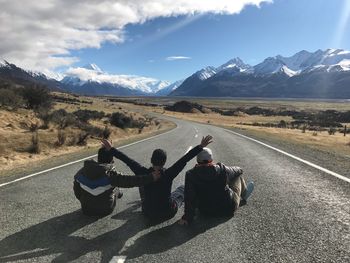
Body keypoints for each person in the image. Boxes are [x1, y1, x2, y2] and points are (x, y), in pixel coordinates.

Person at [101, 135, 213, 221]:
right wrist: (200, 147)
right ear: (164, 162)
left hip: (148, 213)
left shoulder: (143, 172)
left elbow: (127, 160)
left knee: (142, 183)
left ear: (151, 160)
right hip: (168, 212)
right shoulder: (169, 173)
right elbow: (185, 159)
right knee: (180, 191)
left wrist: (111, 149)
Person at [73, 147, 160, 216]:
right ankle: (118, 193)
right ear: (111, 161)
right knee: (116, 185)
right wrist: (150, 177)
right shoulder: (111, 176)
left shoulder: (81, 172)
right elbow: (131, 181)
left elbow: (77, 191)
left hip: (86, 210)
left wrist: (83, 200)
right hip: (106, 209)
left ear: (98, 158)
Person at [178, 147, 254, 225]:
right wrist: (239, 169)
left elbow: (189, 197)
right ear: (211, 159)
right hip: (228, 208)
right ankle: (244, 194)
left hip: (205, 211)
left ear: (197, 160)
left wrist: (187, 218)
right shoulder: (221, 168)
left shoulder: (191, 174)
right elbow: (237, 170)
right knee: (238, 176)